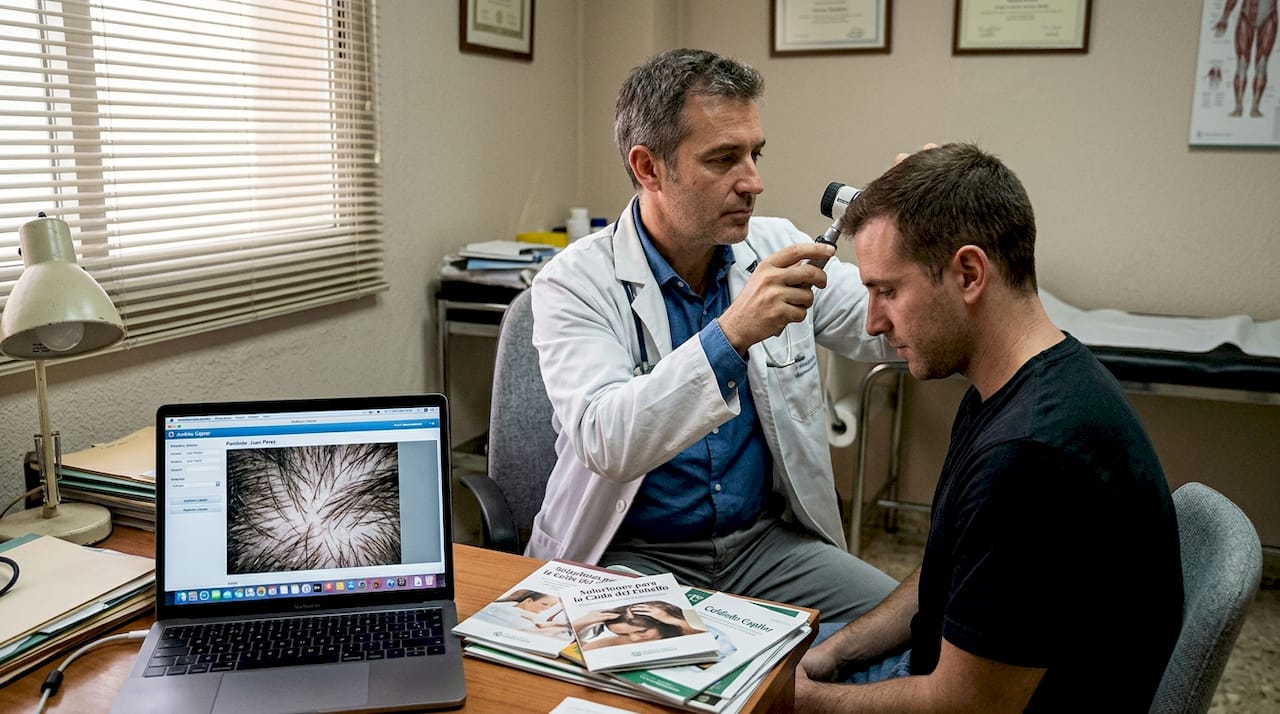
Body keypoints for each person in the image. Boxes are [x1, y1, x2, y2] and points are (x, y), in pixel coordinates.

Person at [795, 143, 1184, 712]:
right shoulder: (1022, 383)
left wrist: (799, 702)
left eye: (887, 291)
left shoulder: (1030, 457)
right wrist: (833, 654)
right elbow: (952, 571)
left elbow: (966, 707)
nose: (874, 321)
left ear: (970, 273)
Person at [525, 47, 900, 622]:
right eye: (724, 159)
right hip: (630, 556)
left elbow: (886, 328)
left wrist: (923, 241)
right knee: (670, 666)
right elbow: (605, 440)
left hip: (763, 547)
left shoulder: (776, 247)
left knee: (908, 629)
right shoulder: (573, 282)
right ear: (648, 168)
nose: (754, 182)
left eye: (755, 154)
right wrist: (731, 335)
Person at [1214, 0, 1277, 117]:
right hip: (1246, 15)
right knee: (1242, 63)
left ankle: (1255, 107)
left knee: (1262, 64)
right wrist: (1224, 18)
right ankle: (1238, 107)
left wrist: (1224, 18)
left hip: (1268, 16)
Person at [574, 601, 702, 651]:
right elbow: (583, 652)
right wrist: (581, 623)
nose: (634, 639)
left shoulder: (686, 631)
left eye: (641, 631)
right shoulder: (623, 640)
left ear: (663, 624)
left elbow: (705, 636)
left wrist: (672, 620)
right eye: (622, 634)